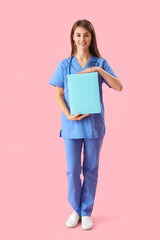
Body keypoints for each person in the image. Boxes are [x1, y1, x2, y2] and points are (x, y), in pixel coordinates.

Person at [49, 19, 123, 230]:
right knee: (73, 170)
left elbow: (119, 87)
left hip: (94, 126)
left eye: (86, 35)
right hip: (71, 126)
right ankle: (75, 210)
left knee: (91, 169)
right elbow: (58, 95)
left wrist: (99, 72)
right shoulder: (65, 65)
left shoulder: (100, 63)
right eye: (78, 35)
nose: (82, 39)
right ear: (73, 37)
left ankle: (86, 211)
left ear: (92, 38)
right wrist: (68, 115)